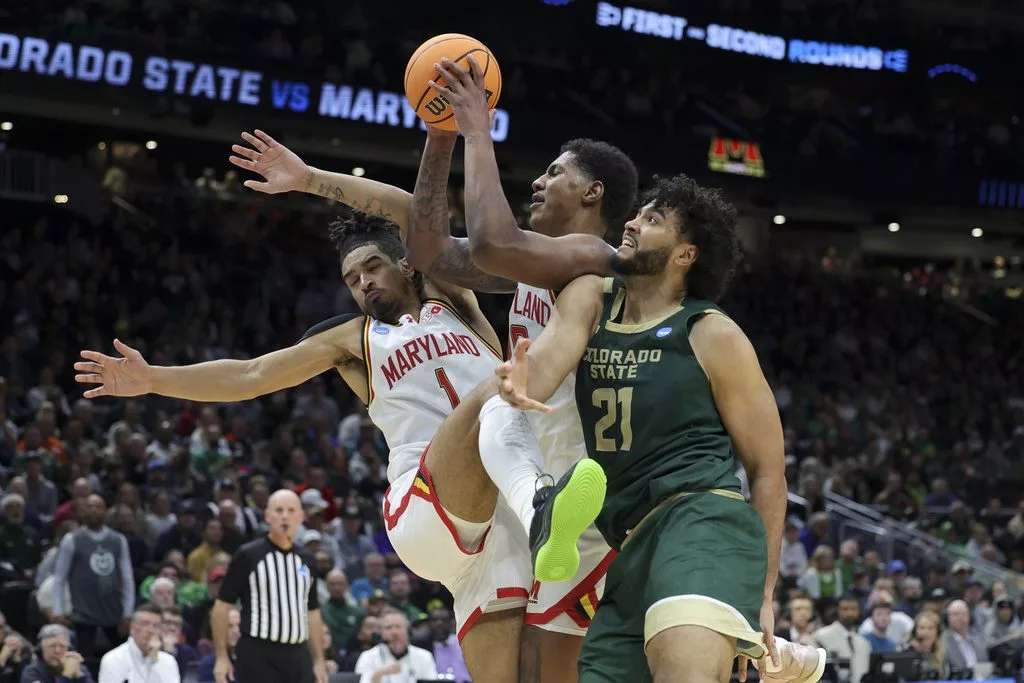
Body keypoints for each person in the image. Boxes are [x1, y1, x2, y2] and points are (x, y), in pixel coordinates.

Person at [75, 206, 600, 683]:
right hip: (424, 502)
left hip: (495, 537)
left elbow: (420, 213)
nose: (363, 284)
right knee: (499, 388)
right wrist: (154, 380)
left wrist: (442, 132)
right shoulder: (353, 340)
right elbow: (252, 374)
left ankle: (538, 514)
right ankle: (543, 510)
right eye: (352, 279)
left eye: (372, 267)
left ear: (408, 265)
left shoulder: (458, 301)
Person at [488, 172, 827, 682]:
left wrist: (761, 595)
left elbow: (768, 470)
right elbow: (552, 353)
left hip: (701, 524)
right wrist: (520, 380)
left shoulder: (712, 332)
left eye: (653, 219)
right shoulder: (592, 295)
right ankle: (781, 659)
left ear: (686, 254)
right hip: (630, 544)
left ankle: (763, 642)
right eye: (638, 212)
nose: (632, 222)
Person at [208, 490, 326, 683]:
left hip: (298, 654)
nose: (285, 516)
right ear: (267, 516)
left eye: (290, 510)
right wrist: (221, 657)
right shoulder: (248, 555)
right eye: (278, 510)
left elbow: (312, 611)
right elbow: (222, 606)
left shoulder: (307, 559)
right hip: (258, 653)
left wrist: (319, 660)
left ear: (301, 516)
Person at [51, 494, 135, 661]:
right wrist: (58, 611)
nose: (94, 510)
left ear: (105, 511)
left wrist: (128, 613)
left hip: (113, 612)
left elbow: (127, 578)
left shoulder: (119, 540)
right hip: (83, 613)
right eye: (89, 507)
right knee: (83, 661)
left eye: (98, 506)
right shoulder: (71, 539)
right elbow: (59, 578)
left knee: (121, 660)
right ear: (83, 512)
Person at [98, 604, 180, 683]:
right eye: (145, 624)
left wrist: (155, 661)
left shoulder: (169, 662)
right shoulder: (113, 659)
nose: (150, 630)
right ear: (132, 628)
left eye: (156, 626)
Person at [353, 608, 437, 683]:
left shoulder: (424, 657)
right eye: (388, 627)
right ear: (381, 633)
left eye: (398, 626)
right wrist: (379, 674)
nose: (394, 632)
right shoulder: (368, 657)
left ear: (407, 630)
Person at [812, 595, 871, 683]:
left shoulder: (864, 643)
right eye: (845, 609)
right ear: (837, 610)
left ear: (859, 611)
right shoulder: (820, 636)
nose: (850, 613)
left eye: (854, 609)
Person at [18, 624, 93, 683]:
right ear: (42, 649)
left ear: (69, 649)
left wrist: (80, 677)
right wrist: (66, 676)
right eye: (52, 646)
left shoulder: (80, 669)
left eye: (62, 646)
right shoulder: (32, 672)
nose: (57, 650)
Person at [942, 599, 988, 674]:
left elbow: (984, 666)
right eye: (956, 614)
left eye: (964, 614)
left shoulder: (978, 640)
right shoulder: (942, 642)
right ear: (947, 618)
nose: (961, 618)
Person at [197, 608, 240, 683]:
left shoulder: (254, 660)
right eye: (230, 626)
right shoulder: (208, 664)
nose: (236, 630)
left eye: (239, 625)